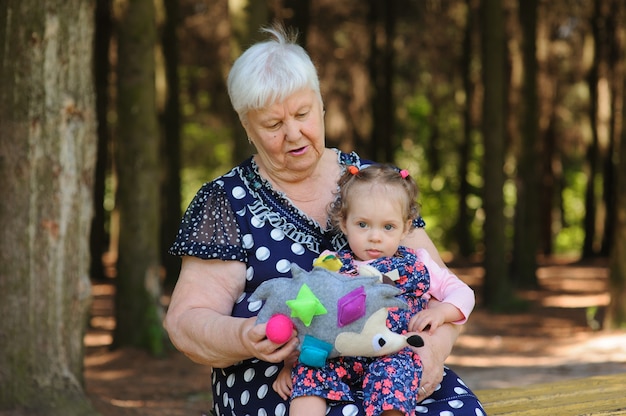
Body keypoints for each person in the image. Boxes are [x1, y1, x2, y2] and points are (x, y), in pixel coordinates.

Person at [163, 23, 485, 416]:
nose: (294, 133)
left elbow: (440, 287)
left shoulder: (374, 183)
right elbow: (185, 322)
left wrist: (432, 353)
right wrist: (245, 337)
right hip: (283, 381)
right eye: (273, 125)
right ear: (247, 127)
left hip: (391, 364)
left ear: (321, 106)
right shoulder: (224, 202)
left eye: (303, 114)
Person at [272, 164, 475, 416]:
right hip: (339, 354)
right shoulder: (330, 265)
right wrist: (288, 364)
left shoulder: (418, 262)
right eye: (363, 224)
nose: (375, 237)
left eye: (388, 227)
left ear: (406, 226)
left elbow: (463, 292)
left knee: (395, 379)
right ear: (344, 223)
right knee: (309, 376)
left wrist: (443, 312)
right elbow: (306, 316)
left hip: (391, 353)